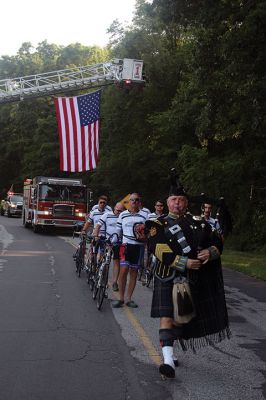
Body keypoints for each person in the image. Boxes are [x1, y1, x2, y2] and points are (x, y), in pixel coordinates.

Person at [146, 179, 230, 379]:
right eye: (174, 199)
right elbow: (157, 248)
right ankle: (167, 361)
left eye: (181, 200)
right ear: (167, 202)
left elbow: (218, 240)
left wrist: (211, 252)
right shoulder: (156, 224)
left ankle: (169, 350)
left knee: (180, 319)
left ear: (186, 203)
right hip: (167, 276)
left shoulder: (198, 223)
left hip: (192, 279)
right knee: (166, 316)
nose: (177, 203)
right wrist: (182, 262)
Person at [112, 193, 147, 308]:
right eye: (132, 200)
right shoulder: (122, 215)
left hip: (138, 247)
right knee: (124, 270)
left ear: (139, 202)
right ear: (129, 201)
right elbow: (118, 230)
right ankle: (121, 298)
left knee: (134, 272)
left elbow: (150, 231)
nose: (134, 202)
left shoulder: (145, 215)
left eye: (136, 200)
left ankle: (128, 299)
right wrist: (114, 240)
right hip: (125, 245)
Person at [93, 202, 125, 291]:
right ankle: (99, 274)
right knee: (104, 260)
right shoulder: (107, 215)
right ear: (114, 208)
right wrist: (96, 235)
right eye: (117, 210)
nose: (119, 212)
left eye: (121, 211)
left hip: (118, 243)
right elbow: (98, 225)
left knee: (116, 262)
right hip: (107, 241)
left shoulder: (123, 217)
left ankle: (114, 282)